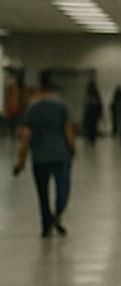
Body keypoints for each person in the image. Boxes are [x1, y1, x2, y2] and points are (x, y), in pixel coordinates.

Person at [12, 84, 77, 237]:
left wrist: (21, 161)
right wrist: (73, 149)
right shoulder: (62, 107)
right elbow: (68, 130)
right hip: (60, 156)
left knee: (42, 193)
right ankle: (57, 214)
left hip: (39, 158)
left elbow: (25, 137)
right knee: (63, 188)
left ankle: (46, 224)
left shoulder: (32, 109)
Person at [82, 80, 103, 148]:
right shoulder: (95, 93)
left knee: (90, 126)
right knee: (93, 126)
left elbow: (86, 104)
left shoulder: (89, 93)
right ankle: (91, 138)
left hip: (91, 112)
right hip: (94, 113)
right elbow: (99, 104)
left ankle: (90, 138)